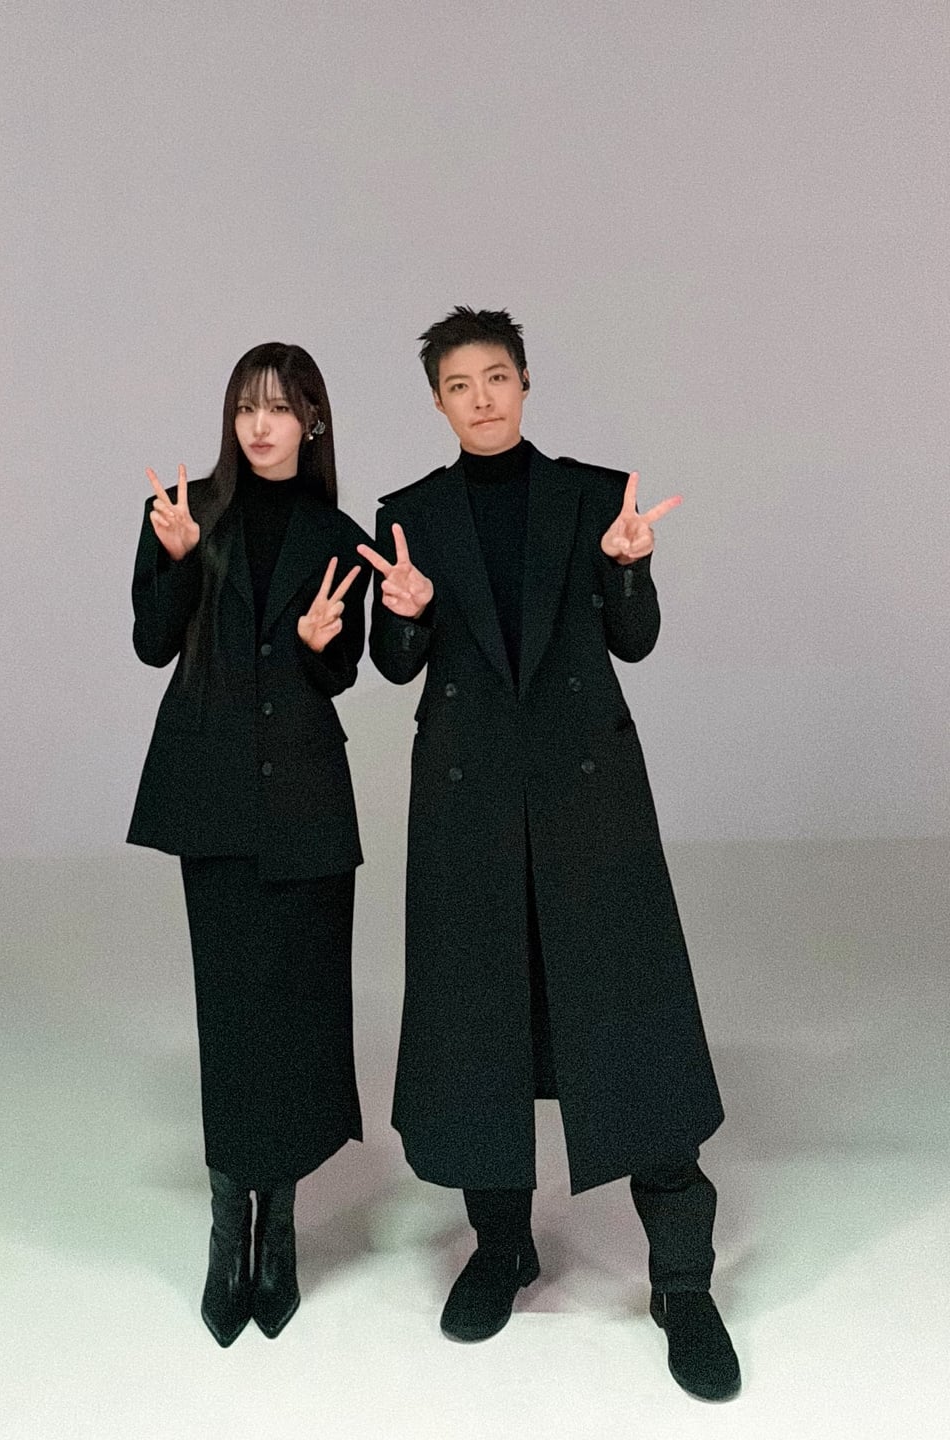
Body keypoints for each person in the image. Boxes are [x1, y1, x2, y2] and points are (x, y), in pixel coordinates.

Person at [357, 308, 740, 1401]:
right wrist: (406, 613)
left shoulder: (594, 497)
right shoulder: (410, 516)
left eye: (497, 378)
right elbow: (395, 663)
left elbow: (634, 641)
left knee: (632, 1016)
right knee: (478, 1028)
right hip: (469, 807)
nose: (481, 399)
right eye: (459, 385)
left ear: (526, 383)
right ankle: (502, 1247)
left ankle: (682, 1283)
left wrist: (629, 569)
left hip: (587, 798)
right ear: (437, 402)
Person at [128, 343, 370, 1347]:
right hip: (216, 798)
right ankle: (231, 1229)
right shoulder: (185, 511)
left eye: (278, 408)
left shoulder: (341, 536)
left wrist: (320, 647)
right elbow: (152, 640)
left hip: (306, 798)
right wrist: (182, 558)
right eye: (244, 408)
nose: (259, 426)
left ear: (312, 419)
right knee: (232, 1014)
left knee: (300, 1014)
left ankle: (284, 1230)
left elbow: (346, 670)